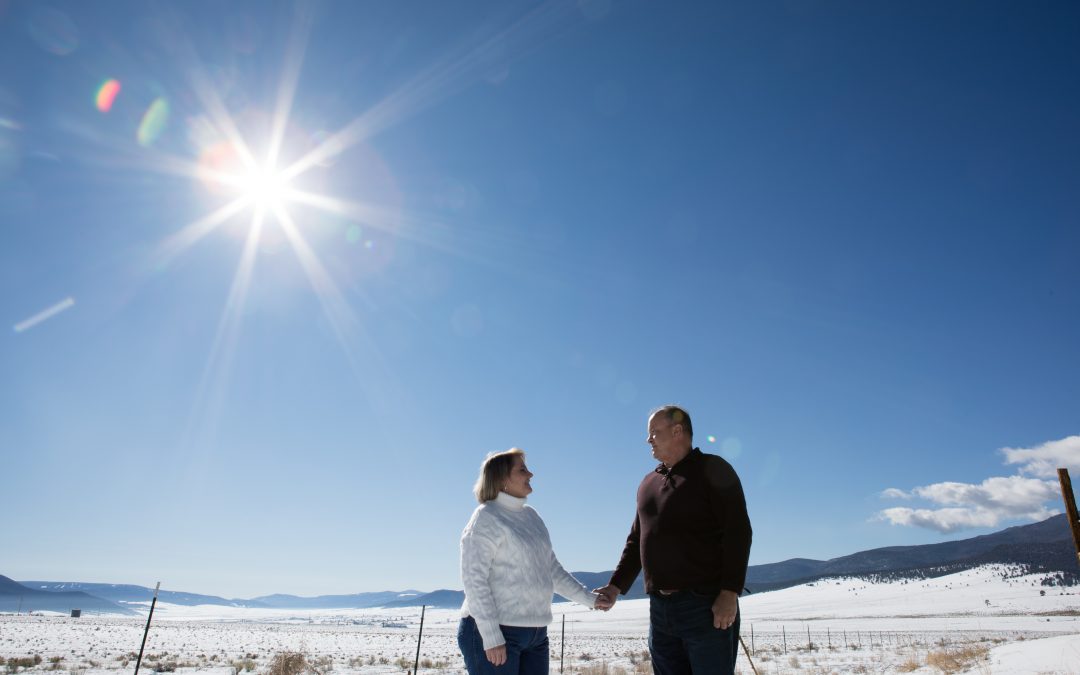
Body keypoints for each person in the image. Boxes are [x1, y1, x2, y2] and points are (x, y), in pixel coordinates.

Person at [595, 406, 752, 675]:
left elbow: (738, 531)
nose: (648, 440)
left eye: (655, 432)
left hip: (706, 606)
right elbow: (636, 540)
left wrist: (729, 592)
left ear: (678, 431)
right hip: (659, 611)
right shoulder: (647, 483)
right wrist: (616, 586)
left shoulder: (712, 469)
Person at [457, 448, 610, 675]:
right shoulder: (486, 516)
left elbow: (552, 570)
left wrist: (590, 599)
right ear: (502, 478)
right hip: (495, 632)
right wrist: (490, 635)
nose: (531, 474)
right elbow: (474, 579)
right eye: (522, 469)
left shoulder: (532, 517)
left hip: (536, 634)